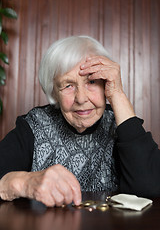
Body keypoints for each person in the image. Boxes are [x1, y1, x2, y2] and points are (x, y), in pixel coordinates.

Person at [0, 36, 159, 207]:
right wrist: (24, 183)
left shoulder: (120, 123)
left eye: (91, 81)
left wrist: (118, 95)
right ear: (54, 92)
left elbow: (151, 189)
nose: (81, 98)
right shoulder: (35, 125)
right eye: (68, 85)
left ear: (106, 84)